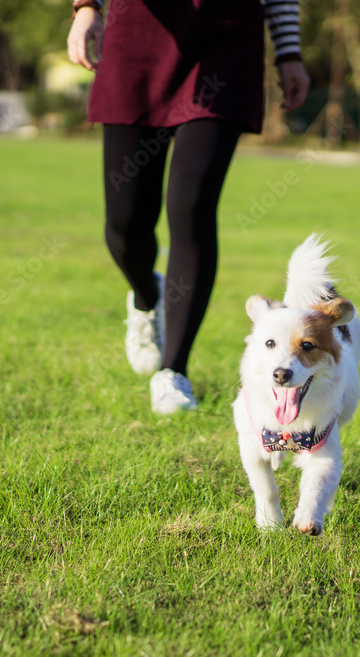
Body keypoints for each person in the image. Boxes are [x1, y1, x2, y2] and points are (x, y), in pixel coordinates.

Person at [68, 0, 310, 414]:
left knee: (192, 205)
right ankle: (147, 297)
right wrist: (86, 7)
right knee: (126, 222)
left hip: (226, 39)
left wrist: (288, 51)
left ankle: (173, 371)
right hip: (136, 36)